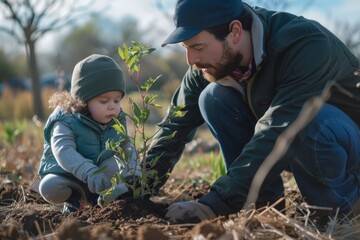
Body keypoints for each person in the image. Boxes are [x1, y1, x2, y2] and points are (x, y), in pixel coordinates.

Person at [142, 0, 360, 222]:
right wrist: (139, 187)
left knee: (309, 118)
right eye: (186, 48)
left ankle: (340, 209)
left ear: (235, 31)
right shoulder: (209, 62)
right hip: (300, 146)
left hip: (347, 147)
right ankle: (263, 206)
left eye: (198, 47)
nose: (191, 60)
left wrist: (216, 203)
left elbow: (281, 128)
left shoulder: (305, 45)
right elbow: (175, 125)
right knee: (213, 98)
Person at [38, 54, 138, 213]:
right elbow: (63, 150)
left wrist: (134, 170)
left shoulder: (117, 117)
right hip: (68, 176)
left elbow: (126, 146)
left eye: (117, 100)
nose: (112, 107)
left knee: (115, 165)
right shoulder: (65, 119)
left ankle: (99, 197)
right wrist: (89, 171)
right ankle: (74, 200)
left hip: (100, 175)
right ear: (83, 100)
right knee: (49, 187)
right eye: (104, 101)